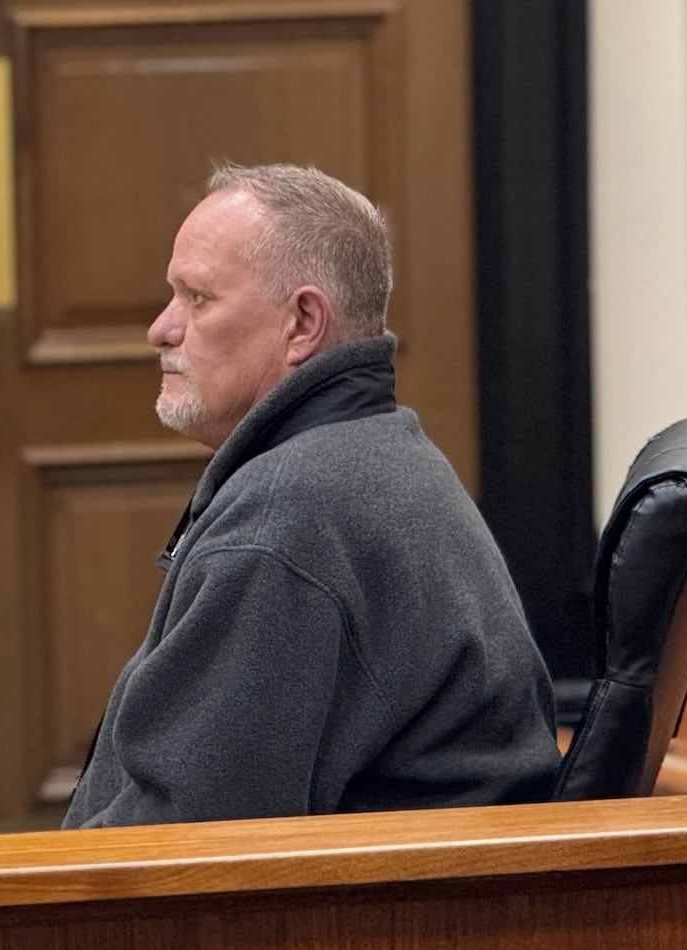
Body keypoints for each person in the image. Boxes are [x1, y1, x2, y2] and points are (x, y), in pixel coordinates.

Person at [62, 162, 561, 829]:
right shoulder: (372, 452)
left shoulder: (289, 516)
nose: (161, 328)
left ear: (302, 322)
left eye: (197, 299)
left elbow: (183, 847)